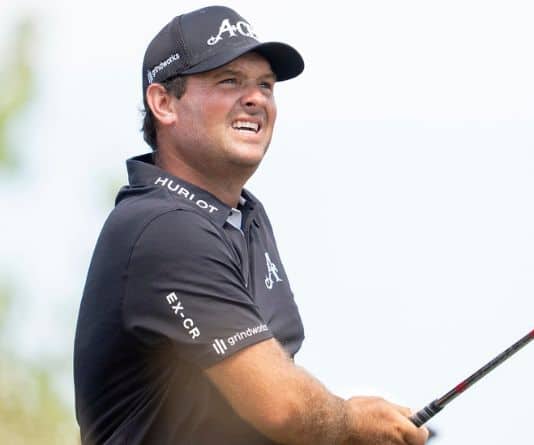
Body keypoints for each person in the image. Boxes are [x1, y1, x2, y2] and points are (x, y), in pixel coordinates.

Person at [73, 6, 429, 445]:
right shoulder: (163, 228)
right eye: (230, 81)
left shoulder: (245, 218)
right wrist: (351, 422)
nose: (256, 98)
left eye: (266, 85)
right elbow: (284, 409)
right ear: (163, 103)